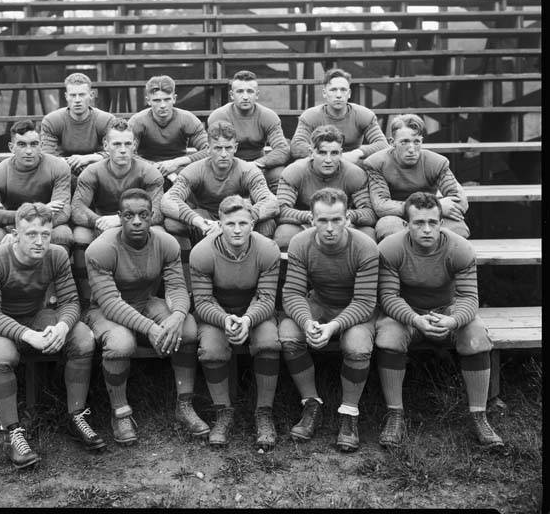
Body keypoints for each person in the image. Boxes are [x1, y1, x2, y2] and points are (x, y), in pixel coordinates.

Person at [0, 202, 104, 469]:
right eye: (31, 234)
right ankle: (12, 433)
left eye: (46, 234)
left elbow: (70, 302)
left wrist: (62, 326)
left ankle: (76, 414)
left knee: (83, 337)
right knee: (3, 355)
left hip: (35, 315)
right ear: (15, 234)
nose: (40, 241)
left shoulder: (56, 255)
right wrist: (27, 335)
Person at [375, 192, 503, 449]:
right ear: (405, 225)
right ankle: (395, 414)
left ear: (441, 223)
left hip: (448, 309)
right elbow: (388, 296)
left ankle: (479, 416)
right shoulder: (390, 248)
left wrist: (453, 321)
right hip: (407, 311)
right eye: (418, 223)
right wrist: (414, 319)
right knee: (388, 335)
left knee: (475, 335)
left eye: (432, 223)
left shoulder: (459, 248)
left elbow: (469, 297)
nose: (426, 229)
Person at [84, 188, 209, 445]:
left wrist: (176, 315)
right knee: (121, 344)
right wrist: (152, 329)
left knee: (186, 329)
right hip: (106, 310)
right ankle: (120, 412)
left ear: (152, 216)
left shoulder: (166, 242)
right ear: (119, 217)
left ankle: (184, 404)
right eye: (129, 215)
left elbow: (175, 286)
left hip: (146, 302)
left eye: (143, 214)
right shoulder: (100, 249)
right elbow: (110, 303)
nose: (137, 221)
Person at [279, 188, 378, 451]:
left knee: (356, 344)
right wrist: (307, 322)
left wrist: (334, 326)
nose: (330, 227)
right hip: (320, 303)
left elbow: (366, 302)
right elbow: (292, 293)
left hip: (356, 309)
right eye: (323, 220)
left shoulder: (365, 246)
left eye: (337, 220)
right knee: (289, 331)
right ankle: (311, 403)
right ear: (312, 220)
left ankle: (349, 412)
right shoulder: (301, 242)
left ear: (348, 219)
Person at [189, 195, 282, 450]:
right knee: (211, 349)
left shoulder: (267, 249)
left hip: (255, 311)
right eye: (230, 223)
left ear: (253, 223)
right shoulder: (202, 253)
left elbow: (266, 297)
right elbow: (203, 301)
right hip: (217, 312)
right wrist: (225, 319)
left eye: (243, 223)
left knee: (269, 343)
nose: (237, 229)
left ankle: (264, 411)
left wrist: (248, 319)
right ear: (219, 223)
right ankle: (224, 411)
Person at [70, 117, 164, 294]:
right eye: (116, 144)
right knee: (80, 235)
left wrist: (121, 220)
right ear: (105, 145)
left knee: (160, 234)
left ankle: (152, 293)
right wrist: (98, 221)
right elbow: (77, 208)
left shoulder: (149, 172)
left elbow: (157, 212)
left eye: (128, 144)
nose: (122, 150)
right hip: (102, 221)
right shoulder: (92, 172)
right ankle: (85, 296)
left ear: (135, 145)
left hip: (138, 222)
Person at [161, 120, 279, 243]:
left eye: (228, 148)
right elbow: (168, 200)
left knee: (268, 224)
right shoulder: (194, 170)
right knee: (172, 223)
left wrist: (235, 219)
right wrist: (199, 221)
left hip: (239, 217)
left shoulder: (248, 171)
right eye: (218, 148)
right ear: (208, 148)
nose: (224, 154)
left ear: (235, 148)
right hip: (206, 220)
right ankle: (197, 255)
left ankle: (254, 256)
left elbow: (271, 202)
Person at [363, 113, 469, 242]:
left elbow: (460, 201)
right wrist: (437, 205)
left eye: (416, 142)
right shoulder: (376, 163)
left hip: (431, 216)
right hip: (397, 216)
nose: (412, 149)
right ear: (392, 142)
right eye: (404, 142)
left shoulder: (436, 162)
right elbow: (381, 206)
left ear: (422, 141)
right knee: (389, 228)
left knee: (458, 230)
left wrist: (432, 212)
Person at [0, 119, 73, 254]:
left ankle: (54, 273)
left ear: (41, 145)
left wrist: (27, 232)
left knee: (63, 234)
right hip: (13, 225)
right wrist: (31, 217)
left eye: (34, 144)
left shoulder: (58, 167)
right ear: (11, 147)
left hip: (47, 225)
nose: (29, 151)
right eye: (22, 144)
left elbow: (62, 213)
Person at [274, 124, 377, 250]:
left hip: (341, 223)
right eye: (322, 153)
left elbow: (369, 213)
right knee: (284, 235)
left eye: (334, 153)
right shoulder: (294, 172)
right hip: (306, 223)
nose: (328, 160)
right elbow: (281, 211)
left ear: (341, 153)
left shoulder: (354, 174)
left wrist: (343, 216)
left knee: (368, 235)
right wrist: (312, 217)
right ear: (311, 153)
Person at [207, 70, 290, 193]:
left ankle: (276, 209)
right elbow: (213, 150)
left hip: (259, 166)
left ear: (257, 94)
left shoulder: (268, 116)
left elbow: (282, 150)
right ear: (231, 94)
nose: (245, 97)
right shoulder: (219, 116)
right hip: (227, 166)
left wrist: (257, 164)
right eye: (240, 91)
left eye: (250, 91)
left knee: (280, 174)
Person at [290, 68, 389, 164]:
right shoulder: (310, 116)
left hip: (352, 163)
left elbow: (382, 144)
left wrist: (357, 152)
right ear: (324, 93)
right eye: (333, 90)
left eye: (343, 90)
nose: (338, 95)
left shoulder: (363, 115)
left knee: (377, 164)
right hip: (320, 163)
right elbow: (297, 146)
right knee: (298, 165)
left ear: (349, 93)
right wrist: (325, 155)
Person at [128, 75, 209, 179]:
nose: (162, 105)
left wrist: (176, 163)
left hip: (180, 168)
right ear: (148, 101)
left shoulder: (187, 119)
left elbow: (209, 150)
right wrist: (156, 167)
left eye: (167, 99)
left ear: (174, 99)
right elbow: (127, 152)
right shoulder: (137, 121)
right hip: (145, 170)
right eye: (157, 100)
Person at [40, 72, 115, 183]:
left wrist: (87, 158)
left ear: (91, 95)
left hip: (98, 170)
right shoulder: (52, 121)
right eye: (73, 95)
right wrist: (73, 162)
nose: (77, 100)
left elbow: (115, 152)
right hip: (63, 171)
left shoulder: (106, 120)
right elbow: (47, 156)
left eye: (82, 94)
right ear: (66, 96)